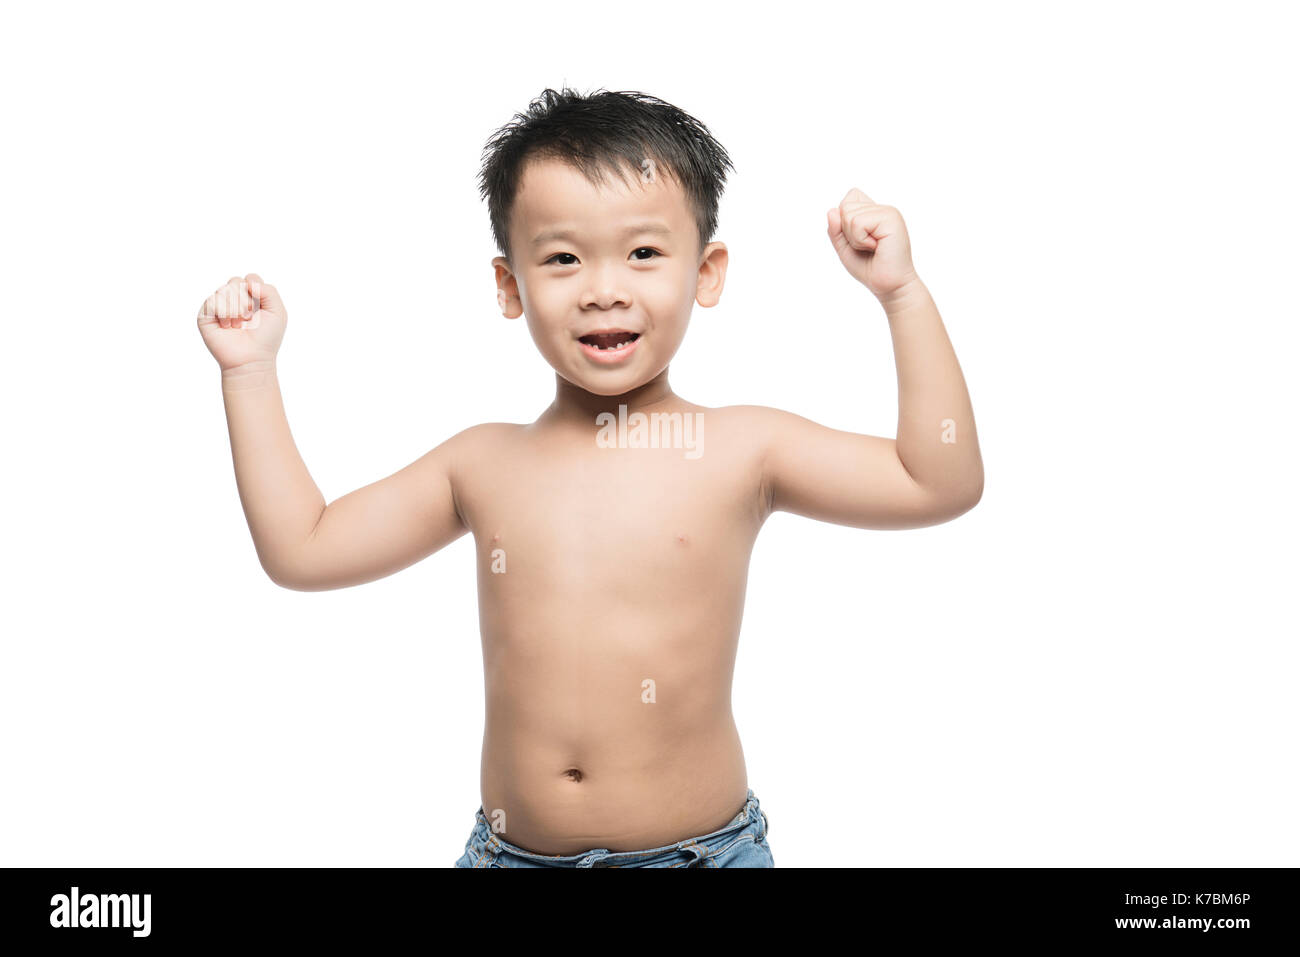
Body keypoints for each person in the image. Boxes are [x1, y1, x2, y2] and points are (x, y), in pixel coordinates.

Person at [196, 86, 984, 868]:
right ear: (511, 286)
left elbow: (937, 481)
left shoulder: (743, 448)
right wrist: (249, 372)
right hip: (512, 856)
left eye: (644, 252)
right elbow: (302, 548)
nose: (604, 287)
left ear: (706, 274)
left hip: (701, 856)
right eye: (564, 257)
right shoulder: (481, 463)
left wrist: (901, 294)